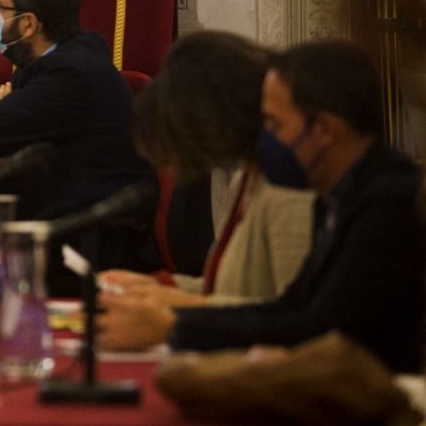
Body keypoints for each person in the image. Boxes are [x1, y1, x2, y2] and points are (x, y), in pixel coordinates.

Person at [101, 40, 425, 373]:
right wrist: (167, 304)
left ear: (325, 130)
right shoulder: (343, 193)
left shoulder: (386, 198)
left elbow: (318, 328)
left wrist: (172, 324)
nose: (264, 136)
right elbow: (292, 307)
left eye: (274, 125)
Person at [0, 0, 157, 281]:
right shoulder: (65, 61)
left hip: (86, 249)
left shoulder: (69, 76)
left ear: (28, 24)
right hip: (65, 233)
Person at [99, 31, 313, 307]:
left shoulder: (288, 184)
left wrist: (176, 311)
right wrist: (155, 286)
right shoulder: (247, 173)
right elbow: (230, 286)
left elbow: (294, 311)